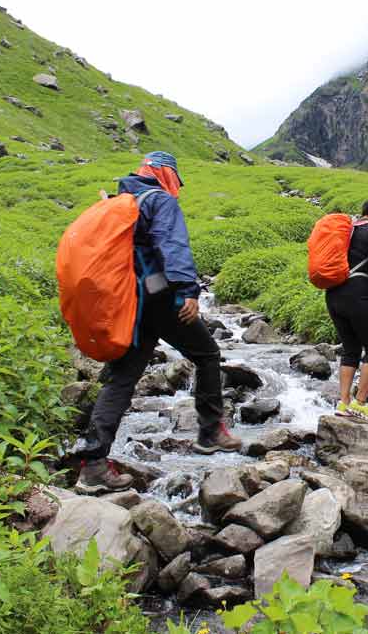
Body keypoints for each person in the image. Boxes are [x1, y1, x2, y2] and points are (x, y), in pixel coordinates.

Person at [73, 151, 242, 494]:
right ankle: (210, 433)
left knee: (122, 380)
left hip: (127, 303)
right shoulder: (158, 200)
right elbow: (172, 244)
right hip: (160, 298)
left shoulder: (120, 201)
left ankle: (92, 464)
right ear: (166, 175)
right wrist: (189, 291)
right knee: (207, 355)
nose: (175, 187)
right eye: (175, 180)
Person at [326, 197, 368, 424]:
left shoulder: (347, 229)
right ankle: (360, 402)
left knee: (350, 348)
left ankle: (344, 403)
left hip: (333, 293)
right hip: (359, 293)